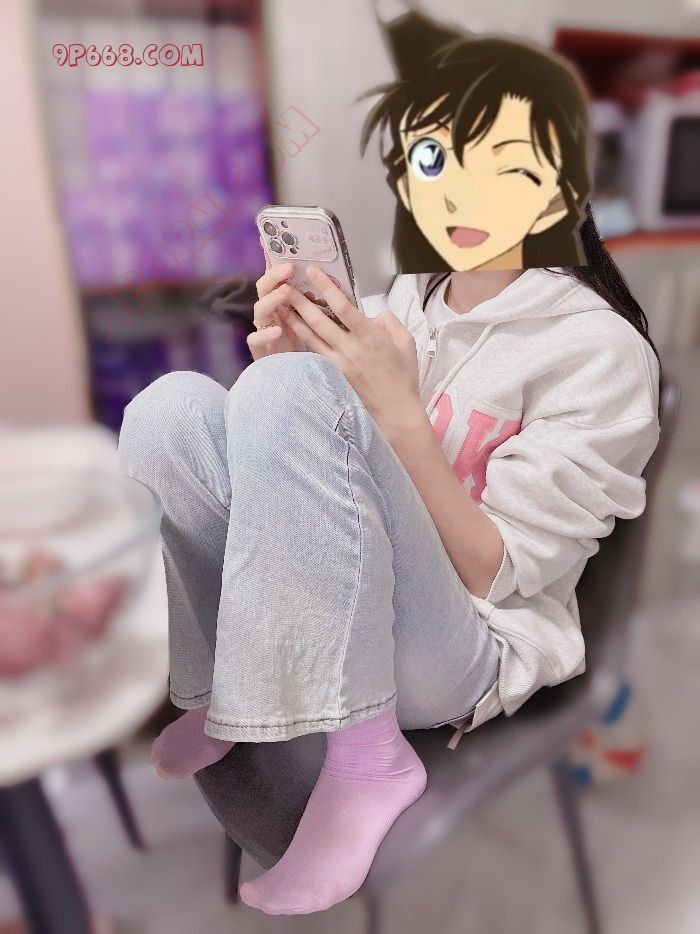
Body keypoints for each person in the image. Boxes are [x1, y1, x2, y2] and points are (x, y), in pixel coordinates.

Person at [117, 9, 661, 917]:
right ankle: (222, 689)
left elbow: (495, 573)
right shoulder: (405, 301)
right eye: (436, 159)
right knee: (170, 408)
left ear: (562, 189)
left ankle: (370, 758)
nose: (459, 196)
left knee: (292, 394)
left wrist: (398, 412)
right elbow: (315, 476)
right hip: (350, 603)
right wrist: (287, 362)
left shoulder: (600, 354)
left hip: (468, 647)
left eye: (504, 165)